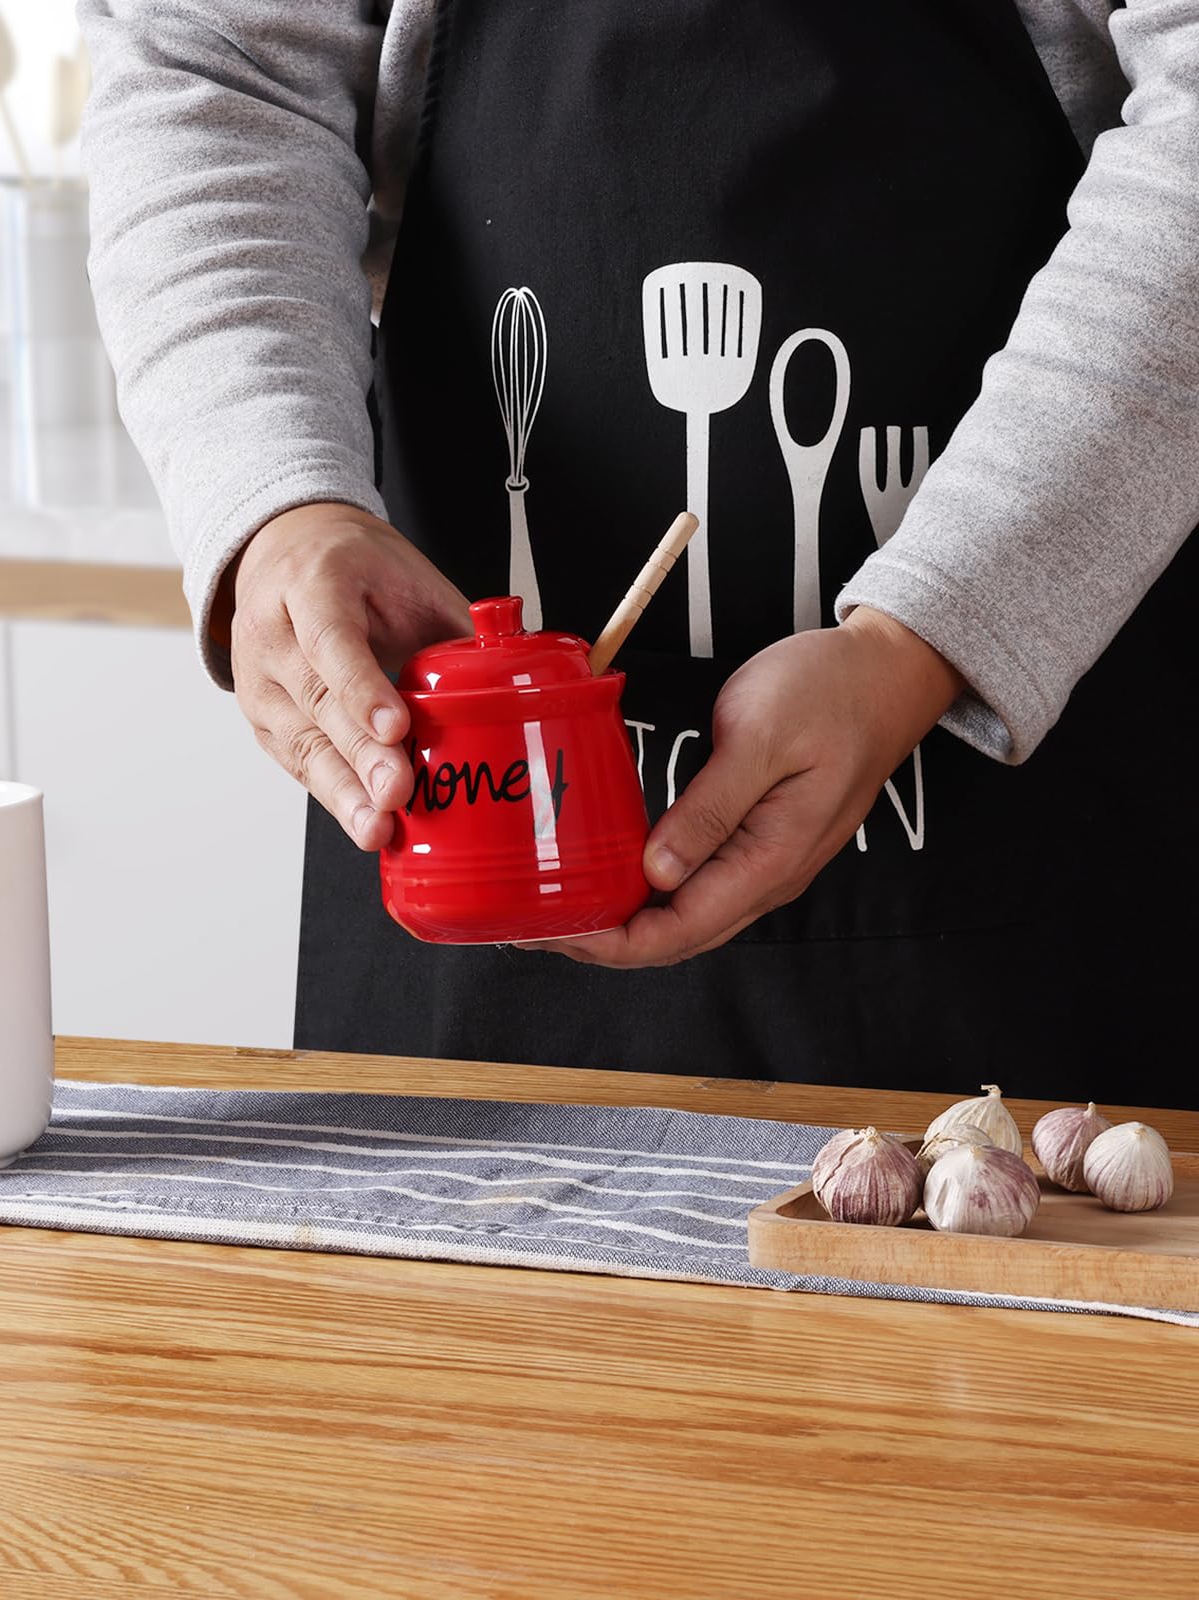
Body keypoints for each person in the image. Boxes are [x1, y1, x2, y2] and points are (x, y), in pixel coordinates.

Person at [79, 1, 1199, 1106]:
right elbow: (215, 68)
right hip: (459, 817)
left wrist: (929, 636)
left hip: (1022, 850)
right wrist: (281, 507)